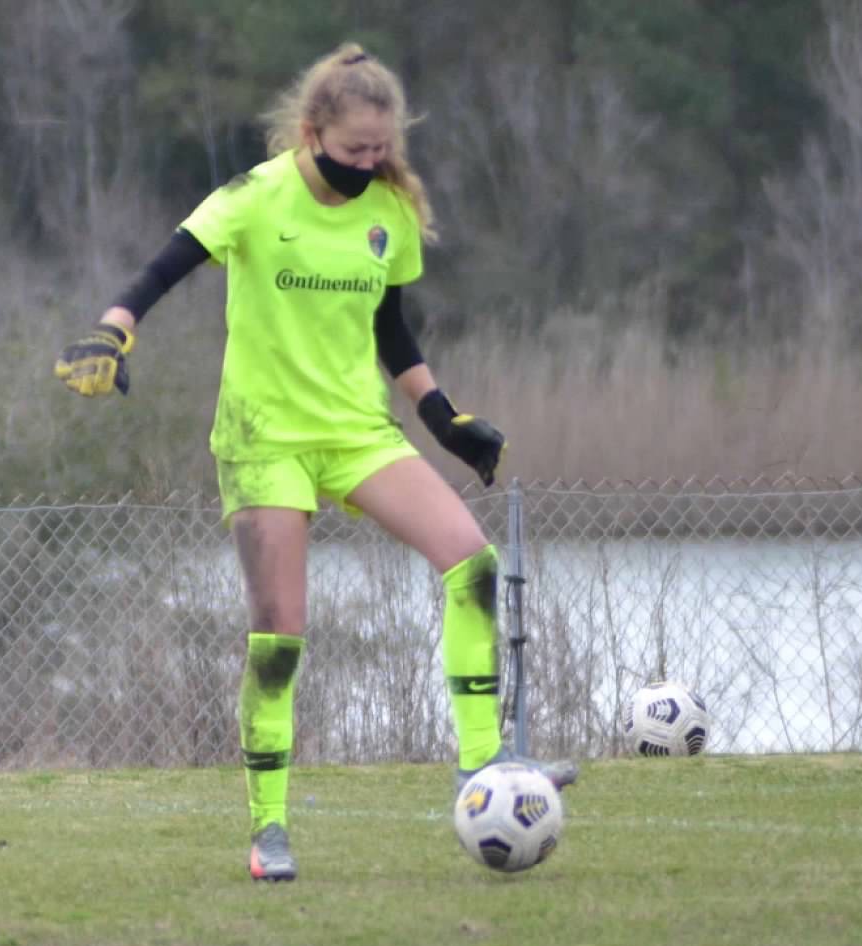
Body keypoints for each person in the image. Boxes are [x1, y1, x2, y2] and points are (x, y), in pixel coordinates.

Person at [55, 43, 575, 883]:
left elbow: (388, 329)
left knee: (471, 564)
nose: (371, 164)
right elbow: (164, 267)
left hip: (355, 431)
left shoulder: (390, 211)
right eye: (355, 150)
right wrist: (113, 329)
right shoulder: (256, 198)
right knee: (279, 640)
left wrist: (442, 417)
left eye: (382, 150)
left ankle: (480, 767)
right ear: (311, 132)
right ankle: (268, 833)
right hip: (264, 438)